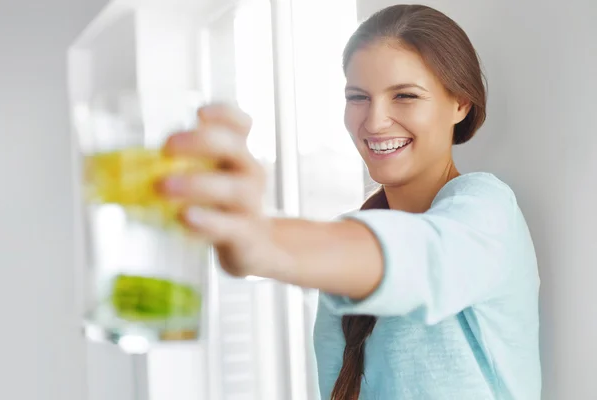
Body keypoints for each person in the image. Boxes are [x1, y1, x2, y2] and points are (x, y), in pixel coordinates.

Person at [158, 4, 541, 400]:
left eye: (405, 96)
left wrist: (263, 241)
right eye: (358, 97)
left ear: (460, 103)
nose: (374, 122)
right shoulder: (347, 256)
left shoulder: (488, 211)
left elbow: (424, 255)